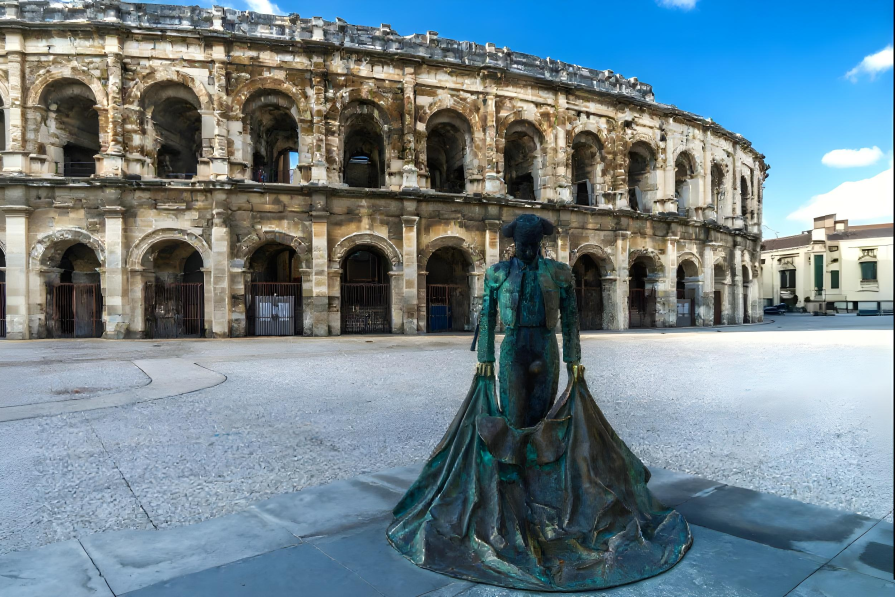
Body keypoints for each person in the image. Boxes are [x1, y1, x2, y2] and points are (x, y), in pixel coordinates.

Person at [387, 214, 692, 592]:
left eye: (534, 241)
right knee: (513, 421)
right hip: (514, 347)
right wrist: (484, 355)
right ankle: (513, 495)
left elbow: (571, 318)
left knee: (544, 417)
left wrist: (573, 360)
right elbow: (487, 315)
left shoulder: (560, 273)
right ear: (515, 242)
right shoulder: (498, 273)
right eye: (524, 241)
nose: (529, 247)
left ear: (540, 242)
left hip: (546, 346)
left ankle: (540, 488)